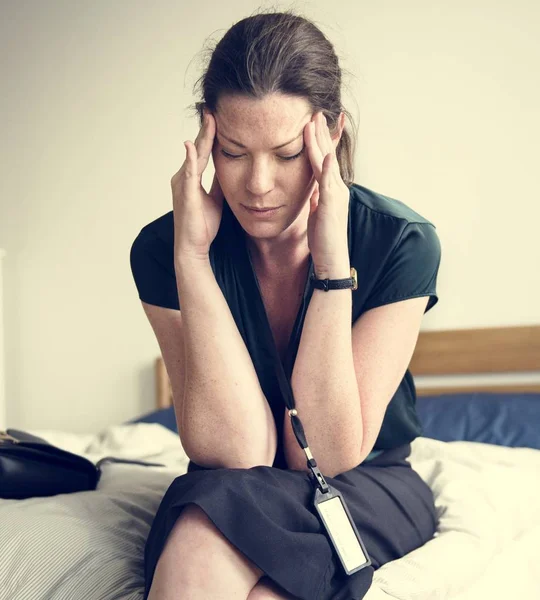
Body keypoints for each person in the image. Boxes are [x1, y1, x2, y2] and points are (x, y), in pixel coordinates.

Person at [130, 9, 441, 600]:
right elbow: (239, 452)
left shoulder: (401, 242)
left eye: (287, 153)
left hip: (364, 480)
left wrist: (330, 270)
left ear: (331, 134)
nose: (259, 184)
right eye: (233, 151)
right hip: (231, 482)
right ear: (205, 138)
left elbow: (324, 452)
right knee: (206, 527)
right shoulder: (160, 251)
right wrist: (192, 261)